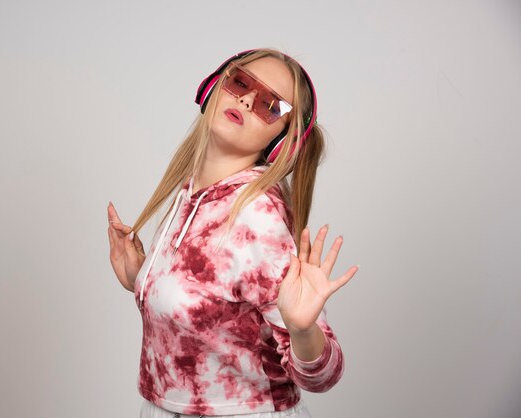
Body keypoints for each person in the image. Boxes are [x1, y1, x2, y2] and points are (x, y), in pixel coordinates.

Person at [107, 48, 359, 418]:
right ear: (212, 87)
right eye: (240, 82)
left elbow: (323, 376)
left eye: (271, 105)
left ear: (282, 140)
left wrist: (303, 330)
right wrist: (144, 279)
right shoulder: (191, 192)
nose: (245, 98)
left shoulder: (258, 215)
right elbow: (212, 305)